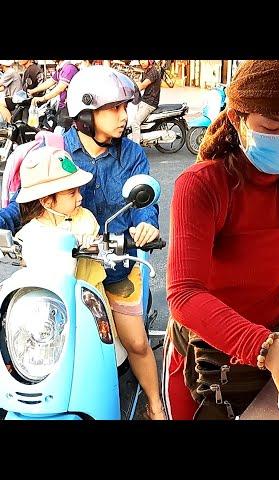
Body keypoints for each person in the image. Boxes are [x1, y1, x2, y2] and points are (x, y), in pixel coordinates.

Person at [162, 60, 279, 421]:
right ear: (237, 120)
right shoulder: (202, 185)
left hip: (268, 356)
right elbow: (184, 295)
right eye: (271, 127)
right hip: (205, 364)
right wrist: (267, 348)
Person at [0, 66, 166, 419]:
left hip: (116, 266)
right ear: (87, 113)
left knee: (136, 342)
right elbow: (25, 202)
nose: (124, 117)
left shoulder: (132, 153)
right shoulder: (55, 149)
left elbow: (144, 202)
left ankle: (155, 404)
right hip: (63, 272)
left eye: (125, 108)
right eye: (114, 109)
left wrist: (145, 229)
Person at [14, 146, 116, 340]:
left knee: (98, 342)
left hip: (87, 299)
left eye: (78, 191)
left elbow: (90, 235)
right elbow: (25, 260)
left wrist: (88, 241)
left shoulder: (84, 218)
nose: (80, 197)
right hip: (49, 305)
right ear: (46, 201)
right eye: (72, 193)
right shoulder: (32, 229)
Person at [28, 60, 80, 131]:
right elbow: (51, 81)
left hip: (69, 109)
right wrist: (33, 91)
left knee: (60, 134)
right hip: (62, 107)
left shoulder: (69, 69)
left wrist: (43, 98)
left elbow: (60, 88)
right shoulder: (62, 68)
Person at [131, 60, 161, 144]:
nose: (142, 62)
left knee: (135, 123)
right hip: (144, 100)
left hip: (150, 102)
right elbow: (139, 82)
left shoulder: (153, 72)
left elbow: (142, 86)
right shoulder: (145, 72)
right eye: (141, 60)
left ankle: (136, 148)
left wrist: (132, 89)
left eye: (144, 60)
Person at [0, 60, 22, 124]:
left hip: (15, 98)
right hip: (14, 97)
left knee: (0, 105)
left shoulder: (10, 72)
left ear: (2, 65)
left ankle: (10, 123)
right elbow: (3, 87)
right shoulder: (10, 71)